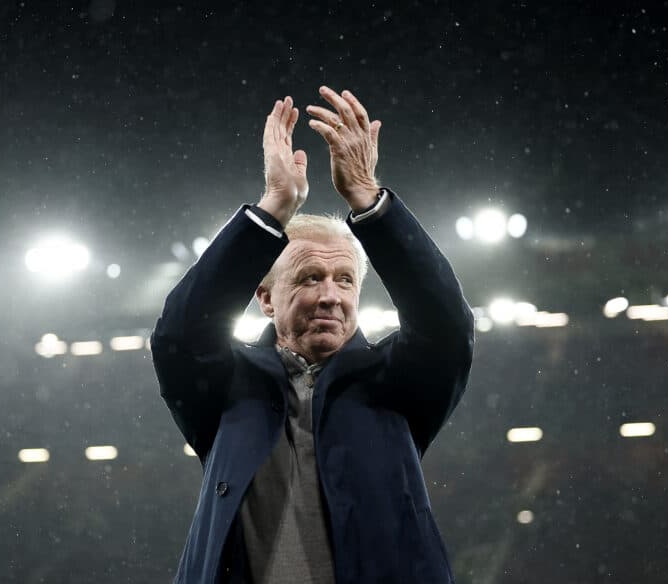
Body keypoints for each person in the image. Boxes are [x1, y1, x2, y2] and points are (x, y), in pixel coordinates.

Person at [151, 86, 474, 584]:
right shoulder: (226, 387)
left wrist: (367, 198)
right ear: (265, 299)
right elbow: (180, 334)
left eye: (344, 280)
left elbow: (446, 326)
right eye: (308, 278)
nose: (330, 296)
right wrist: (272, 209)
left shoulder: (395, 382)